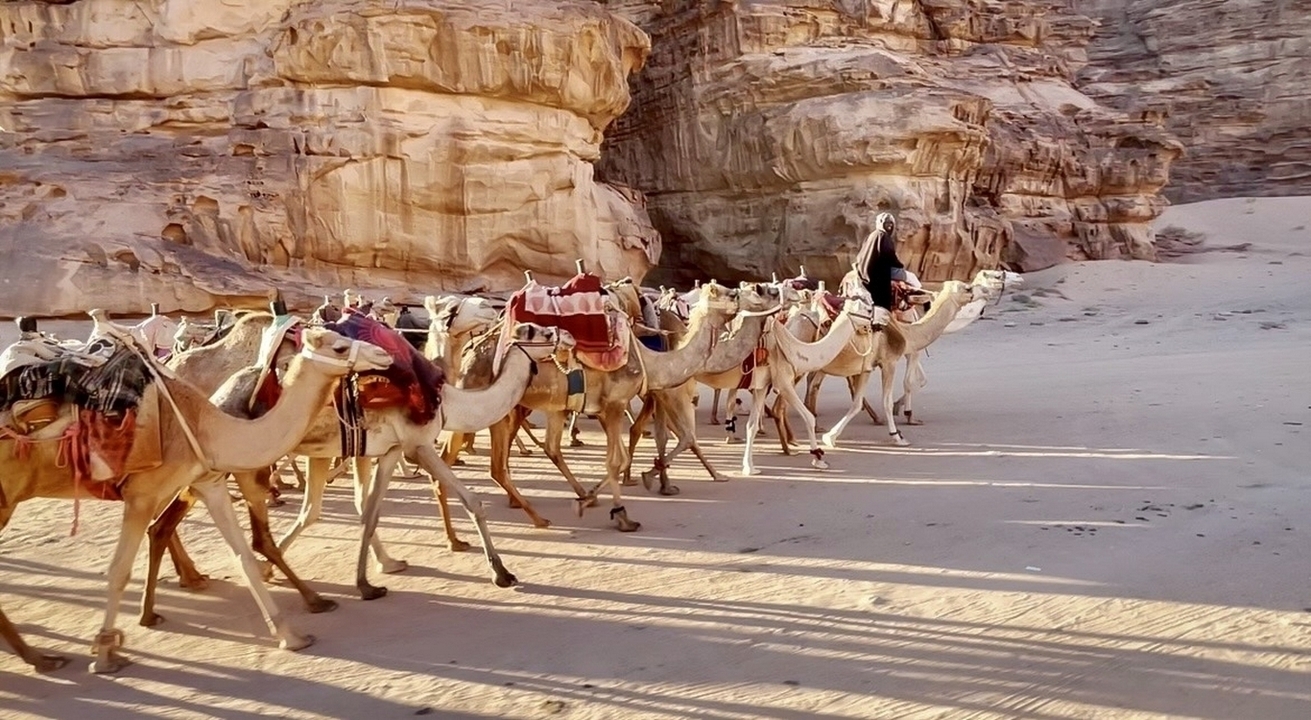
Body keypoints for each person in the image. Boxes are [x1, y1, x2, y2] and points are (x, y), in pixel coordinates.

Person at [854, 212, 905, 310]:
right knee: (882, 301)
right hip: (878, 276)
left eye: (891, 223)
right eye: (887, 223)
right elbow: (888, 255)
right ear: (881, 223)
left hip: (866, 273)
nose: (889, 225)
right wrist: (899, 265)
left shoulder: (872, 235)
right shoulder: (883, 236)